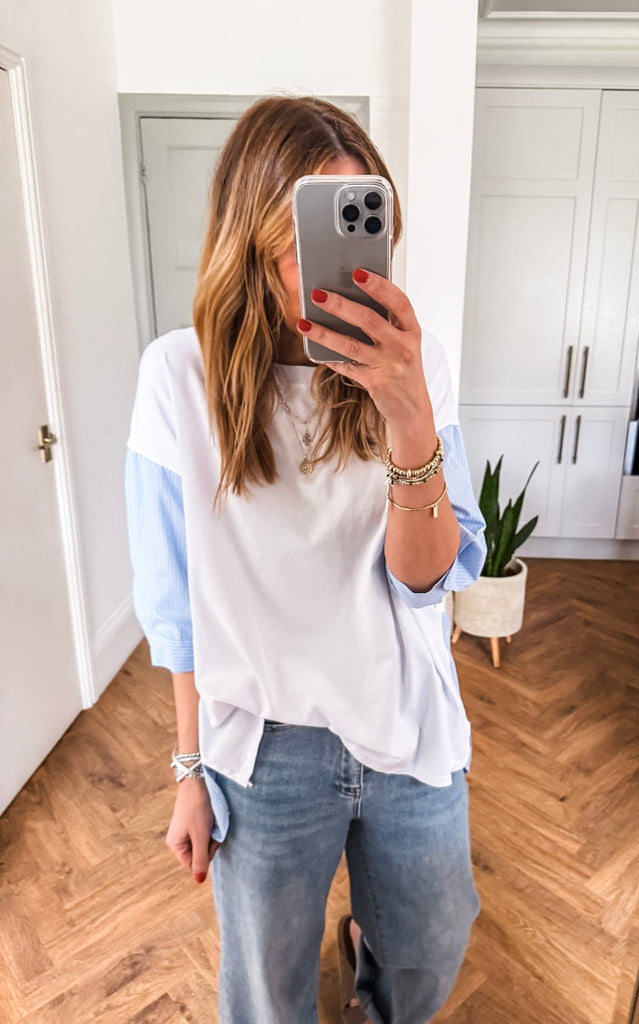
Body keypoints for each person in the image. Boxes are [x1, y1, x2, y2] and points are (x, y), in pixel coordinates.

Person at [125, 95, 485, 1024]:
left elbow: (425, 579)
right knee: (265, 991)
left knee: (430, 948)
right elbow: (176, 607)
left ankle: (367, 969)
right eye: (307, 235)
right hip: (265, 742)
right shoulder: (178, 378)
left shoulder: (418, 366)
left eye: (360, 225)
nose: (340, 264)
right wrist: (189, 771)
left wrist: (408, 415)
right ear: (251, 236)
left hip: (405, 713)